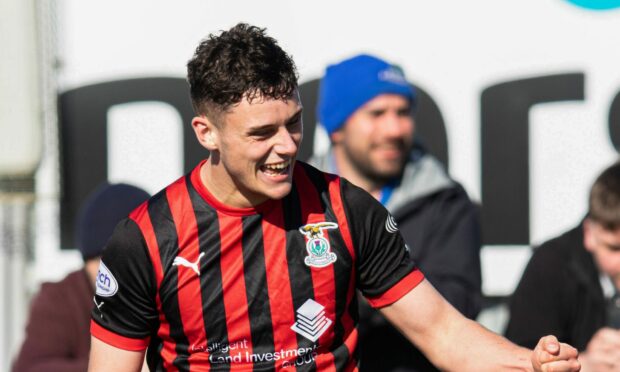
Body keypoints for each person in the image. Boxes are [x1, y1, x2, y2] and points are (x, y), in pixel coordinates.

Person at [88, 23, 580, 372]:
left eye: (294, 122)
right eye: (262, 133)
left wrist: (530, 363)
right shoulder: (146, 238)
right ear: (206, 133)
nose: (286, 145)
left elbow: (443, 333)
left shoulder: (347, 209)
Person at [309, 53, 481, 371]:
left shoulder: (443, 199)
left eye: (402, 112)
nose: (394, 128)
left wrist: (362, 282)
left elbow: (459, 304)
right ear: (336, 128)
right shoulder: (297, 199)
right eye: (376, 114)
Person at [12, 182, 149, 372]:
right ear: (86, 261)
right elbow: (30, 368)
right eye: (101, 258)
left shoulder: (177, 295)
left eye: (129, 260)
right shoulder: (61, 301)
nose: (112, 271)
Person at [506, 160, 620, 372]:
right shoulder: (550, 266)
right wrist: (583, 365)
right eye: (614, 248)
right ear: (589, 234)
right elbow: (517, 358)